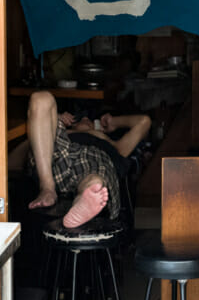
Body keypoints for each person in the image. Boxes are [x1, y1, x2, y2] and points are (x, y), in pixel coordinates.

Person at [23, 90, 152, 228]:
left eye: (89, 120)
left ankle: (82, 203)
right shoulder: (61, 133)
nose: (85, 119)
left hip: (93, 159)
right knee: (41, 97)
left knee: (94, 183)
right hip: (55, 158)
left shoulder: (109, 143)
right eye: (79, 118)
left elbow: (144, 121)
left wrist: (113, 122)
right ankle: (47, 188)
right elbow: (16, 157)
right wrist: (52, 118)